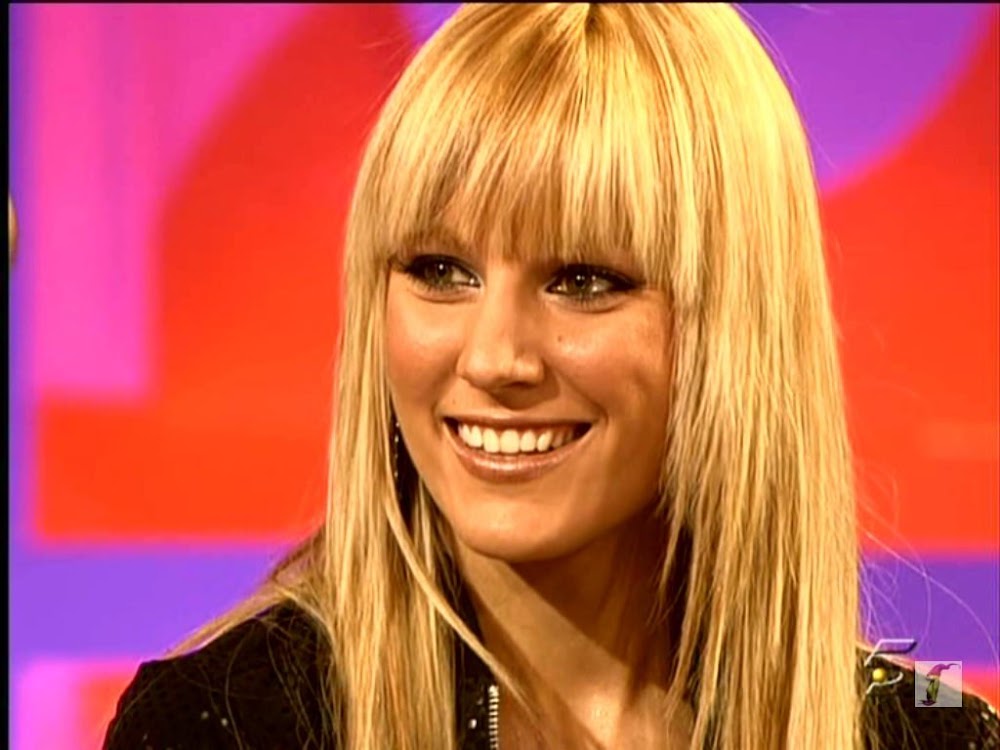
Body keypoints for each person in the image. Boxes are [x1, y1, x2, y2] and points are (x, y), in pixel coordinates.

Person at [102, 4, 998, 749]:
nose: (495, 358)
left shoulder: (929, 735)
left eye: (583, 281)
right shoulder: (229, 725)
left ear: (734, 324)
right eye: (440, 271)